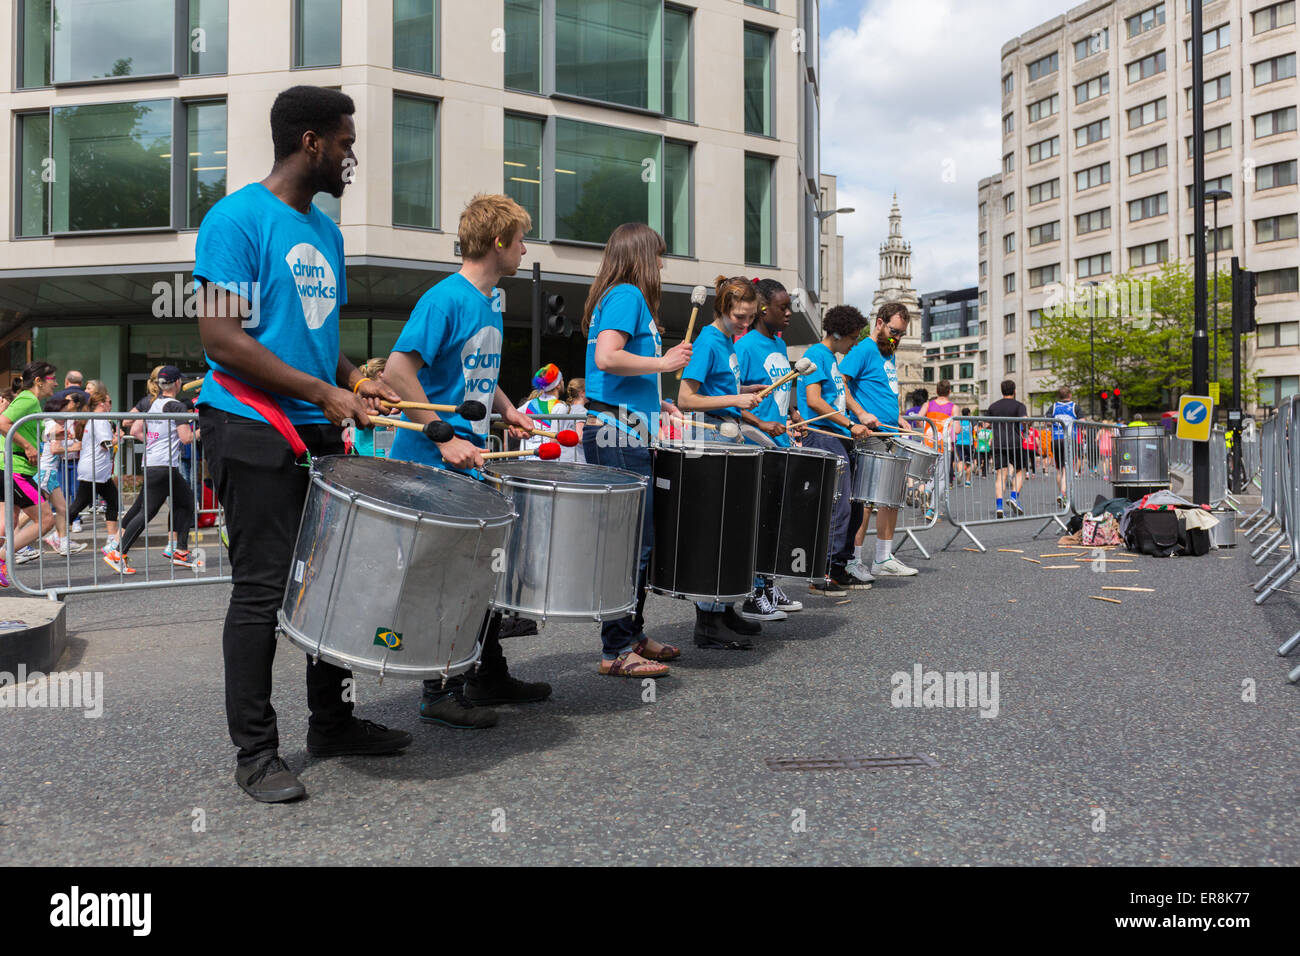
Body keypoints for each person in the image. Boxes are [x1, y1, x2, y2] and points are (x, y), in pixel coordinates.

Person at [195, 85, 412, 803]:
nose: (352, 157)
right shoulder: (235, 219)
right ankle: (255, 754)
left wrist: (357, 376)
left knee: (332, 580)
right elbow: (222, 340)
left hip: (318, 425)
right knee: (262, 589)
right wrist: (323, 391)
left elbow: (316, 336)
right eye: (346, 143)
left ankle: (333, 721)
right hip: (251, 425)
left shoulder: (326, 232)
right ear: (311, 141)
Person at [381, 192, 551, 729]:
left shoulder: (489, 304)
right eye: (521, 239)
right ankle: (438, 691)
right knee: (446, 578)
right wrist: (442, 436)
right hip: (433, 461)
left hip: (469, 458)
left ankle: (486, 675)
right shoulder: (445, 298)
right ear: (498, 241)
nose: (525, 249)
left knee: (479, 573)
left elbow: (476, 373)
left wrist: (508, 410)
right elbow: (396, 371)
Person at [582, 222, 692, 677]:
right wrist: (663, 363)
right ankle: (616, 650)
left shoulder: (621, 296)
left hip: (625, 430)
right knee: (630, 548)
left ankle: (632, 634)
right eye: (659, 256)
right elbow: (608, 357)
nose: (663, 266)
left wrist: (657, 394)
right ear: (642, 257)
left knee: (638, 544)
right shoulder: (627, 295)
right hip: (617, 435)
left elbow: (618, 370)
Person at [677, 275, 770, 645]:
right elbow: (686, 398)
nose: (745, 324)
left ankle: (724, 610)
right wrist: (736, 402)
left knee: (730, 528)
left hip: (725, 435)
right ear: (721, 309)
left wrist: (742, 391)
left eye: (750, 317)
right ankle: (706, 623)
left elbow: (717, 388)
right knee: (714, 531)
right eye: (739, 317)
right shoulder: (708, 341)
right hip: (709, 437)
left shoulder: (729, 341)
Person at [734, 277, 804, 617]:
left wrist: (792, 412)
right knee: (758, 520)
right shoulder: (745, 347)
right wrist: (761, 423)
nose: (789, 313)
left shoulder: (779, 344)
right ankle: (753, 591)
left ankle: (769, 584)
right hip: (754, 443)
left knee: (775, 520)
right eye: (783, 307)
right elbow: (733, 400)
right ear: (763, 309)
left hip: (778, 441)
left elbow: (781, 388)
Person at [796, 305, 875, 595]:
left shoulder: (831, 358)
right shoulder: (815, 355)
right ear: (839, 334)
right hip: (823, 436)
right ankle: (823, 572)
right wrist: (848, 423)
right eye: (853, 338)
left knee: (852, 506)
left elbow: (843, 395)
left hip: (839, 436)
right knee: (836, 507)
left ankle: (839, 567)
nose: (855, 343)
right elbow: (814, 400)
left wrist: (861, 416)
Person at [839, 302, 920, 578]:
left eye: (901, 333)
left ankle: (884, 558)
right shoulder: (863, 349)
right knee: (866, 500)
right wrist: (860, 413)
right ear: (879, 323)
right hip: (870, 434)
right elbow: (841, 382)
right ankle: (854, 558)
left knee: (891, 498)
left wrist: (895, 416)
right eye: (894, 330)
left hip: (890, 431)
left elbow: (883, 388)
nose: (897, 337)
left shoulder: (889, 351)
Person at [106, 367, 199, 572]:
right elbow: (186, 438)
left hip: (157, 463)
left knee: (186, 502)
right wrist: (205, 429)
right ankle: (118, 552)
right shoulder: (176, 406)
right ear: (177, 383)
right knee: (147, 512)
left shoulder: (155, 403)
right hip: (163, 465)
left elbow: (137, 429)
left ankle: (181, 551)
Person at [0, 363, 77, 564]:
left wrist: (52, 433)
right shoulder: (27, 399)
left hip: (11, 467)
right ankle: (1, 559)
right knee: (45, 520)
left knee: (6, 523)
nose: (56, 383)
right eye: (52, 379)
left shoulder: (31, 401)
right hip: (16, 469)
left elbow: (29, 430)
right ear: (38, 381)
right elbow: (2, 422)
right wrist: (28, 447)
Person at [67, 383, 122, 554]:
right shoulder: (99, 419)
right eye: (109, 401)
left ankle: (112, 539)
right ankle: (58, 534)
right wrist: (117, 438)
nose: (110, 405)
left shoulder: (94, 418)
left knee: (113, 500)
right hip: (94, 469)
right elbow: (105, 444)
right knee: (78, 505)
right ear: (102, 403)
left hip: (97, 470)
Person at [986, 379, 1028, 519]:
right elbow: (1025, 420)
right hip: (1014, 442)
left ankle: (999, 507)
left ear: (1001, 391)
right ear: (1014, 391)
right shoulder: (1019, 405)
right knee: (1020, 470)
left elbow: (986, 424)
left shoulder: (993, 406)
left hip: (998, 443)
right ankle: (1014, 496)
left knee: (1000, 475)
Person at [517, 364, 570, 460]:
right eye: (561, 380)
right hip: (545, 458)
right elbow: (554, 439)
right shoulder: (559, 407)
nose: (563, 382)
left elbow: (511, 419)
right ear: (557, 385)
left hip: (525, 456)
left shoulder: (529, 404)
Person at [350, 358, 389, 458]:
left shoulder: (359, 398)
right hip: (373, 455)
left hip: (360, 451)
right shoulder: (373, 401)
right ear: (381, 373)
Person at [564, 378, 587, 463]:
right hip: (576, 458)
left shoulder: (565, 409)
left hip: (563, 456)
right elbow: (579, 437)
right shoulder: (582, 411)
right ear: (582, 393)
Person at [953, 407, 975, 487]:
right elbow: (976, 430)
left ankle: (959, 472)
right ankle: (967, 481)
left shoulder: (959, 420)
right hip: (969, 444)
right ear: (969, 413)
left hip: (959, 443)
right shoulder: (971, 420)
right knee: (970, 463)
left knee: (961, 460)